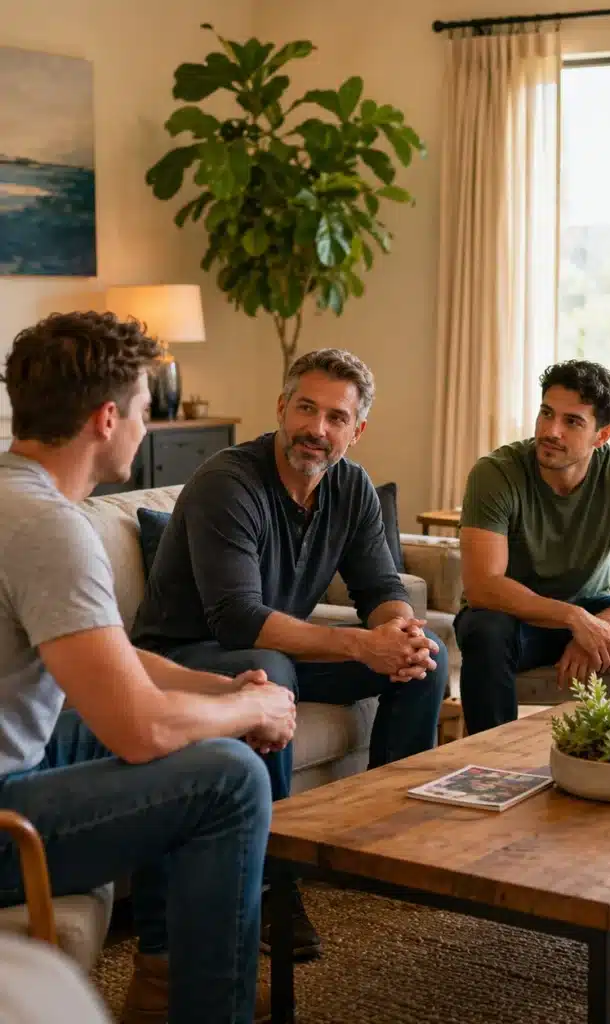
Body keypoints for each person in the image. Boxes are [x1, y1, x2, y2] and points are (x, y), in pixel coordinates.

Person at [0, 312, 297, 1023]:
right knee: (230, 777)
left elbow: (105, 652)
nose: (143, 425)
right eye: (141, 409)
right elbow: (139, 731)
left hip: (16, 770)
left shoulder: (16, 501)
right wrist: (253, 710)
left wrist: (221, 689)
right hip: (7, 821)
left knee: (203, 736)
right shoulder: (46, 527)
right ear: (107, 418)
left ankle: (162, 982)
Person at [132, 347, 448, 961]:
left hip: (271, 649)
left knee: (426, 654)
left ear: (357, 431)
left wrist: (400, 634)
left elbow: (380, 589)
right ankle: (276, 882)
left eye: (336, 417)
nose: (317, 429)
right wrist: (363, 644)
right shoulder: (229, 482)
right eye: (306, 409)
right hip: (186, 656)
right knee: (270, 675)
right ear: (281, 407)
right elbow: (239, 618)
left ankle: (384, 848)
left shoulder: (350, 486)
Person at [456, 359, 610, 735]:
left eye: (572, 421)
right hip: (518, 622)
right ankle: (491, 768)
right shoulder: (496, 473)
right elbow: (482, 585)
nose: (551, 431)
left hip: (593, 610)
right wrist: (574, 619)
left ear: (601, 436)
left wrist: (602, 626)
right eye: (546, 413)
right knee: (484, 628)